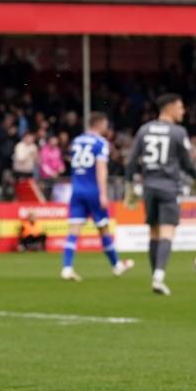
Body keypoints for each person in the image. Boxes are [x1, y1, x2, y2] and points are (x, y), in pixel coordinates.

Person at [126, 94, 196, 296]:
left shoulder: (144, 129)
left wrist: (129, 184)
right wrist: (195, 179)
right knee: (167, 232)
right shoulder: (178, 132)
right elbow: (186, 162)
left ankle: (155, 276)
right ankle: (159, 277)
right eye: (180, 107)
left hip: (149, 187)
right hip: (169, 187)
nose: (183, 111)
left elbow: (131, 160)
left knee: (153, 233)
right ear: (169, 108)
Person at [61, 112, 134, 281]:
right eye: (106, 124)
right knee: (103, 228)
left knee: (73, 230)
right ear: (99, 123)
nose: (107, 127)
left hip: (77, 189)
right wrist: (103, 194)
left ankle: (67, 267)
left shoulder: (77, 141)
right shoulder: (101, 143)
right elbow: (101, 169)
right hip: (93, 190)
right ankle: (116, 265)